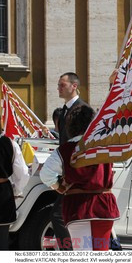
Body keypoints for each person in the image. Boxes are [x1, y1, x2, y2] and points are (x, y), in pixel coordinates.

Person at [40, 105, 119, 250]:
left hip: (78, 207)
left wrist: (61, 187)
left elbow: (46, 174)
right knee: (100, 256)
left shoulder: (65, 149)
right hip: (103, 206)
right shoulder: (105, 146)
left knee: (83, 255)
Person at [54, 72, 88, 250]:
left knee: (59, 216)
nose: (58, 88)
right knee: (64, 216)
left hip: (76, 172)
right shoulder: (66, 109)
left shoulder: (81, 110)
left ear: (74, 86)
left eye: (62, 85)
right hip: (67, 170)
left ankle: (69, 255)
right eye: (59, 85)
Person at [0, 100, 29, 250]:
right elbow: (23, 174)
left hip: (2, 197)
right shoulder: (9, 143)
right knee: (0, 247)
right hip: (2, 198)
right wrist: (16, 191)